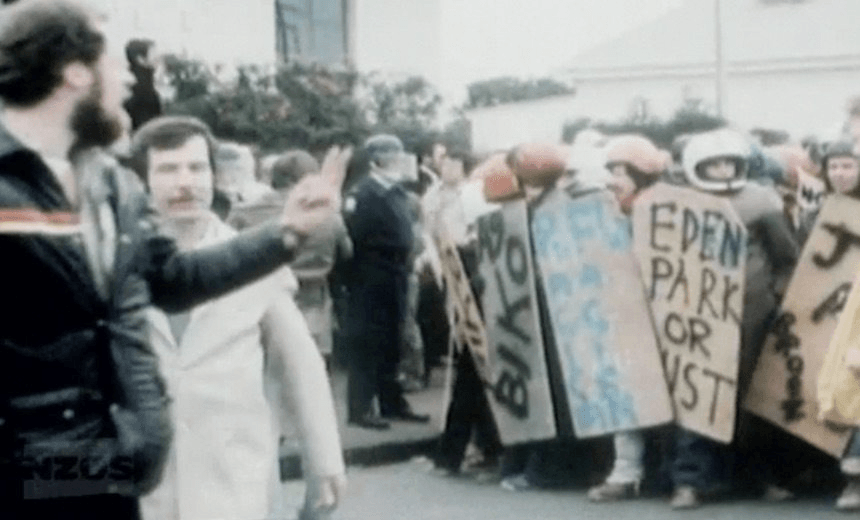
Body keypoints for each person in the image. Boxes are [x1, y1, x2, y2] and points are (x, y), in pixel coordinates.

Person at [0, 2, 348, 518]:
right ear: (75, 73)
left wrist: (287, 233)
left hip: (113, 471)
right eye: (116, 65)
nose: (126, 82)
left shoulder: (109, 184)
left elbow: (173, 278)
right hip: (29, 476)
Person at [131, 117, 345, 520]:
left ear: (214, 175)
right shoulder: (118, 262)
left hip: (233, 477)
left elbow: (299, 361)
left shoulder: (254, 258)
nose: (185, 183)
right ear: (144, 180)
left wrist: (324, 461)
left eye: (197, 168)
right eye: (168, 169)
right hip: (146, 487)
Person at [670, 128, 799, 509]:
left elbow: (786, 257)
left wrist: (775, 298)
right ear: (697, 167)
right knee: (697, 395)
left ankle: (761, 477)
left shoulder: (761, 200)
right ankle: (690, 480)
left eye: (728, 161)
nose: (724, 168)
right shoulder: (682, 203)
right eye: (714, 163)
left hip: (753, 314)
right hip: (699, 315)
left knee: (754, 398)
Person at [586, 134, 669, 502]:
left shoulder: (661, 210)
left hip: (663, 317)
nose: (613, 180)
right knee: (625, 394)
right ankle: (627, 471)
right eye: (612, 171)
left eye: (622, 171)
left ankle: (652, 472)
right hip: (625, 315)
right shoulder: (610, 211)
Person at [342, 134, 430, 430]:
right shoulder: (362, 194)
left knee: (393, 339)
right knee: (367, 341)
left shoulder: (396, 193)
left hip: (396, 274)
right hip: (369, 277)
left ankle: (392, 401)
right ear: (375, 161)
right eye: (390, 157)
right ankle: (361, 407)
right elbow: (350, 242)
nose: (396, 163)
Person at [271, 150, 353, 364]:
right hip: (313, 294)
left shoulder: (248, 210)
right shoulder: (329, 216)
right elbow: (347, 252)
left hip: (269, 295)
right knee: (312, 358)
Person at [122, 38, 161, 131]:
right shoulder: (144, 91)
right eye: (153, 54)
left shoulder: (132, 83)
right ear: (140, 59)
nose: (157, 58)